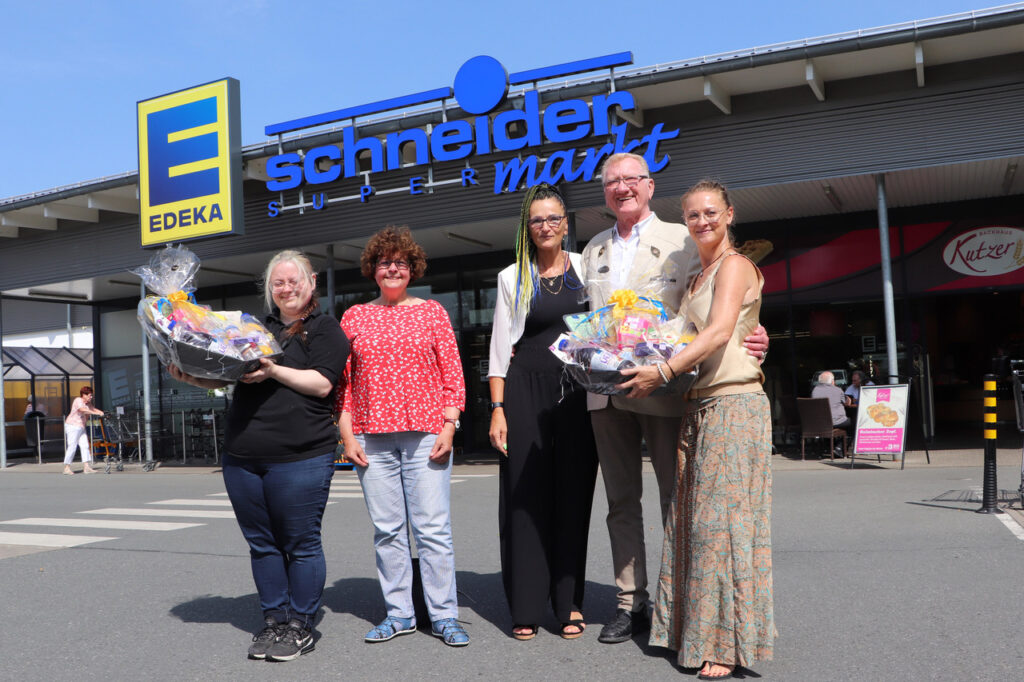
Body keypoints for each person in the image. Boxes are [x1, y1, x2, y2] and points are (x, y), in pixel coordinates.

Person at [579, 152, 769, 644]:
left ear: (649, 185)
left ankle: (679, 600)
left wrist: (753, 329)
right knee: (621, 500)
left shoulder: (683, 238)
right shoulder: (593, 248)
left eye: (631, 180)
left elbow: (715, 305)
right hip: (606, 394)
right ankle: (630, 600)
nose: (622, 188)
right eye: (612, 182)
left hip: (666, 388)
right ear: (605, 191)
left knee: (676, 499)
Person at [620, 179, 776, 680]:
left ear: (729, 214)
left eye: (711, 212)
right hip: (698, 408)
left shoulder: (733, 265)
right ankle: (691, 630)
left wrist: (660, 373)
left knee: (721, 529)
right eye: (692, 216)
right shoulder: (696, 278)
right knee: (690, 525)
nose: (702, 222)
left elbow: (719, 331)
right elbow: (685, 339)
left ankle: (726, 645)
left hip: (733, 406)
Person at [169, 250, 349, 662]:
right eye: (278, 283)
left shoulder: (326, 330)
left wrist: (273, 370)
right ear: (270, 288)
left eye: (294, 281)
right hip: (243, 455)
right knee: (263, 545)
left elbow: (321, 385)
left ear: (312, 283)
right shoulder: (251, 328)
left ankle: (300, 624)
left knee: (300, 543)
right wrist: (189, 374)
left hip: (301, 455)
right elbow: (228, 377)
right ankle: (274, 620)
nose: (286, 289)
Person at [337, 226, 469, 648]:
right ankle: (400, 614)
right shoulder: (355, 317)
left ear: (412, 269)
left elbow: (453, 374)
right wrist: (346, 433)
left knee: (432, 530)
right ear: (372, 270)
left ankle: (444, 614)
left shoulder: (432, 312)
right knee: (388, 530)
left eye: (400, 263)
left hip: (426, 435)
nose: (392, 269)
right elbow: (343, 383)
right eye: (384, 263)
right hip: (371, 437)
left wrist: (449, 424)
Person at [487, 183, 599, 641]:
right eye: (537, 220)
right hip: (524, 388)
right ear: (527, 228)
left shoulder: (588, 269)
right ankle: (527, 603)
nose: (546, 226)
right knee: (525, 495)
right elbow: (499, 348)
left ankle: (568, 601)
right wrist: (497, 408)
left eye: (554, 218)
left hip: (577, 391)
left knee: (573, 494)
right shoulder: (511, 277)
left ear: (566, 223)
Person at [63, 386, 103, 475]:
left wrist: (101, 412)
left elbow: (92, 409)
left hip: (81, 426)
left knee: (85, 445)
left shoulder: (88, 403)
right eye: (89, 395)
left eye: (91, 395)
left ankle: (86, 467)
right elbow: (83, 410)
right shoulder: (78, 400)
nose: (91, 397)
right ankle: (66, 467)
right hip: (72, 426)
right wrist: (96, 413)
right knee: (72, 446)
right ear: (84, 395)